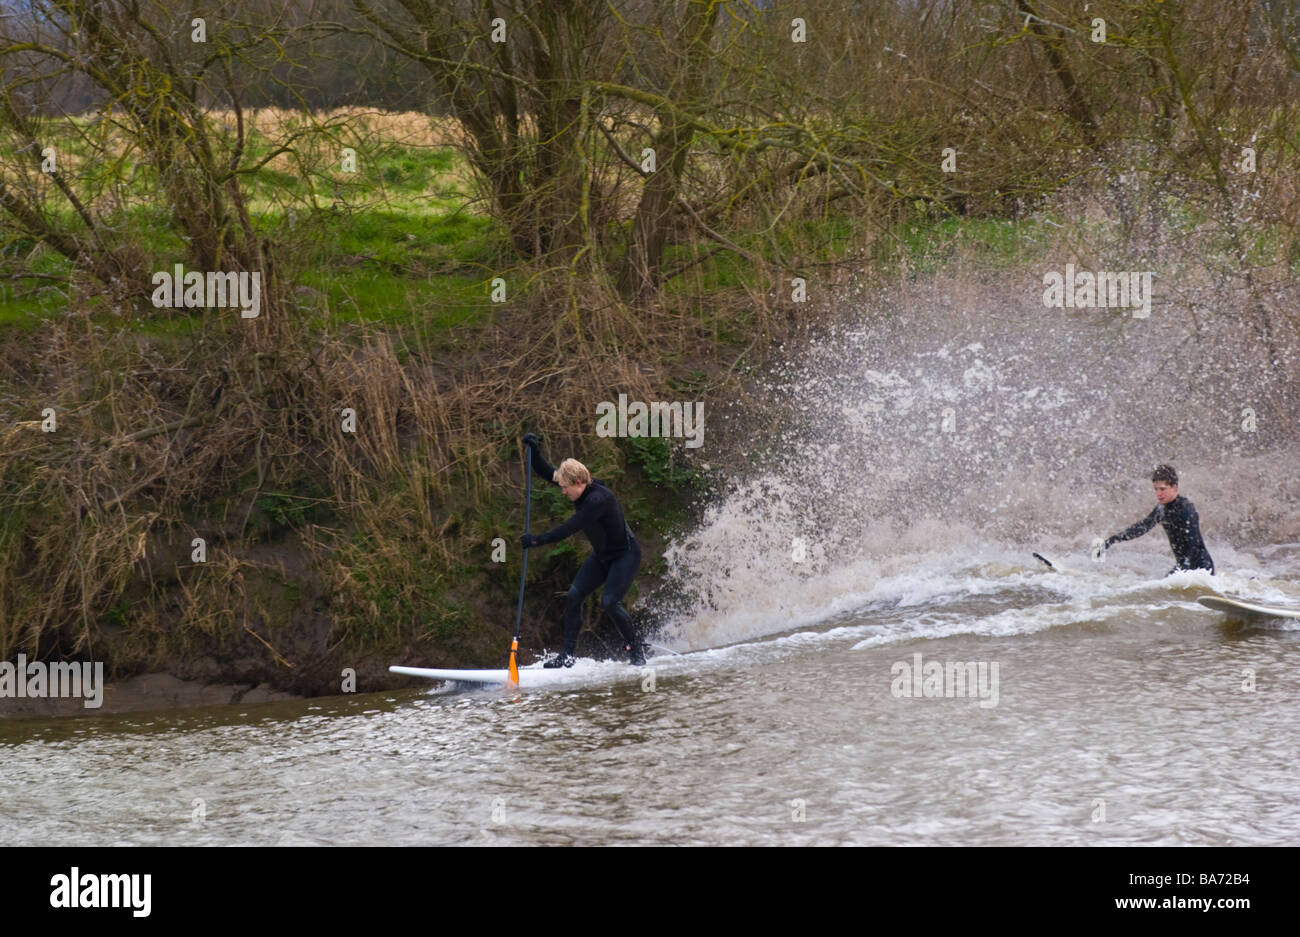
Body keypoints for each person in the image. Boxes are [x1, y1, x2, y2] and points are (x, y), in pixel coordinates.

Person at [519, 433, 646, 667]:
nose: (563, 492)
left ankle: (636, 653)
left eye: (565, 488)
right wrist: (533, 450)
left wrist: (536, 540)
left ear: (578, 483)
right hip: (602, 556)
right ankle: (567, 656)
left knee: (609, 601)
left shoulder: (599, 500)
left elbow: (569, 528)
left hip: (625, 555)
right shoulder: (579, 485)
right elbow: (548, 472)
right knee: (574, 596)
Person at [1102, 464, 1214, 574]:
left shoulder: (1186, 509)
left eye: (1162, 489)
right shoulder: (1161, 509)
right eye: (1156, 489)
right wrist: (1112, 540)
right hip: (1184, 566)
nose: (1158, 493)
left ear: (1174, 487)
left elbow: (1194, 546)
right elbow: (1142, 527)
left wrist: (1182, 570)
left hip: (1202, 568)